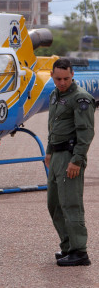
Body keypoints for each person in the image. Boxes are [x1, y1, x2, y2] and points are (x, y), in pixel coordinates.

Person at [45, 58, 95, 266]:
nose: (62, 82)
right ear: (52, 76)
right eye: (58, 79)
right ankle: (67, 247)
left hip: (70, 156)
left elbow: (86, 133)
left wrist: (77, 160)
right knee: (54, 204)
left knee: (71, 204)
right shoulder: (54, 95)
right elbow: (53, 126)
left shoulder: (81, 99)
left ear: (73, 75)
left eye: (66, 78)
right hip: (56, 155)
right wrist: (48, 152)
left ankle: (80, 251)